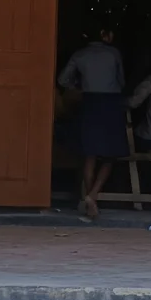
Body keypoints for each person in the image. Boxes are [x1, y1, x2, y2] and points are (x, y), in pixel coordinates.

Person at [57, 24, 124, 218]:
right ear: (104, 34)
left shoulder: (80, 54)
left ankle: (89, 197)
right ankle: (92, 195)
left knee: (89, 154)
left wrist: (79, 85)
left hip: (89, 102)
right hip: (110, 103)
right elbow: (121, 82)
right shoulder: (114, 54)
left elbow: (62, 80)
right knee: (111, 154)